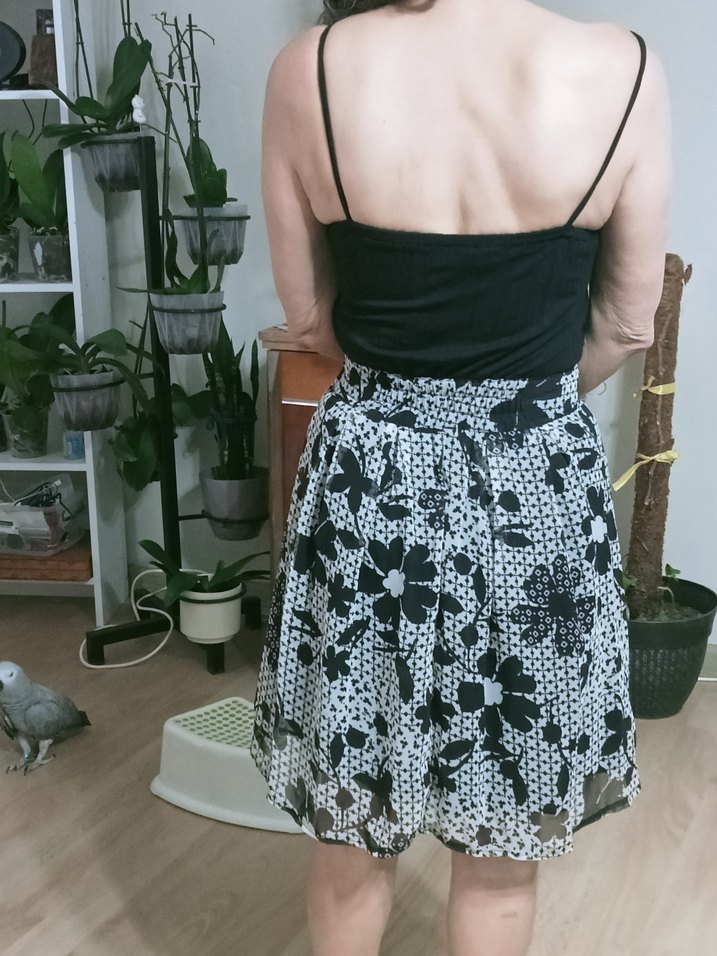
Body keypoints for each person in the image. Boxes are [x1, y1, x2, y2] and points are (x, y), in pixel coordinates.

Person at [250, 1, 671, 954]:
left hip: (369, 481)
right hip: (537, 492)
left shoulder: (310, 67)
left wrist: (409, 395)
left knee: (352, 826)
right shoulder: (624, 70)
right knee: (501, 851)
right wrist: (518, 410)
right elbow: (624, 323)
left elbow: (307, 318)